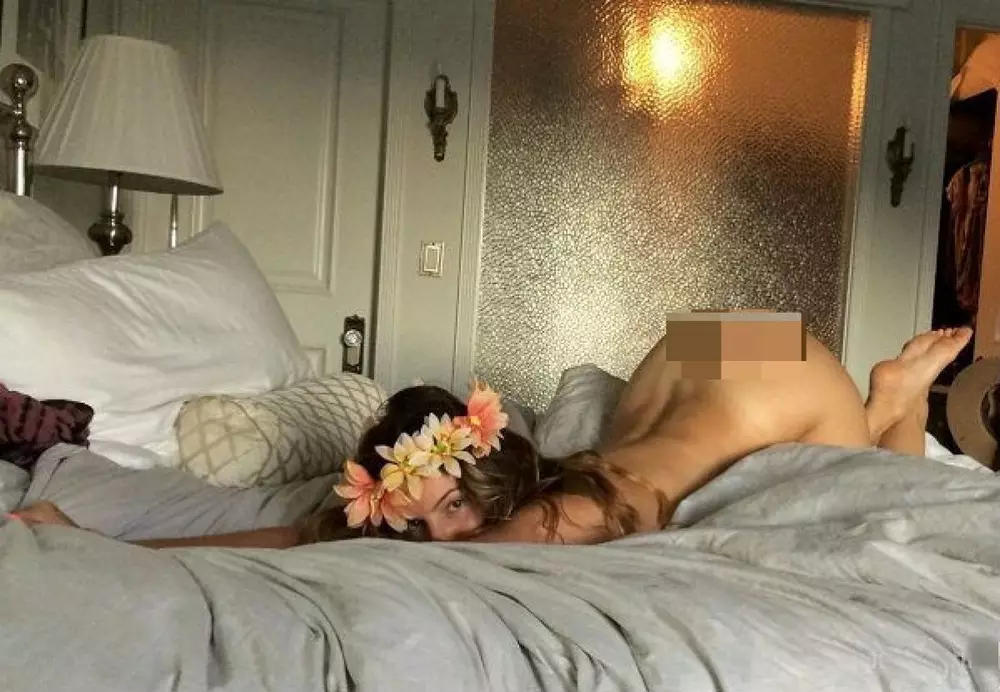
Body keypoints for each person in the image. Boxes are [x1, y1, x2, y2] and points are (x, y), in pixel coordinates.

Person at [9, 319, 974, 550]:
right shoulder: (506, 483)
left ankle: (897, 403)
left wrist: (106, 543)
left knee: (868, 479)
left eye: (446, 513)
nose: (444, 540)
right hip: (706, 346)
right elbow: (314, 532)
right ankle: (893, 402)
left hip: (764, 361)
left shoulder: (550, 520)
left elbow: (309, 545)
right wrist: (95, 536)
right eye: (425, 525)